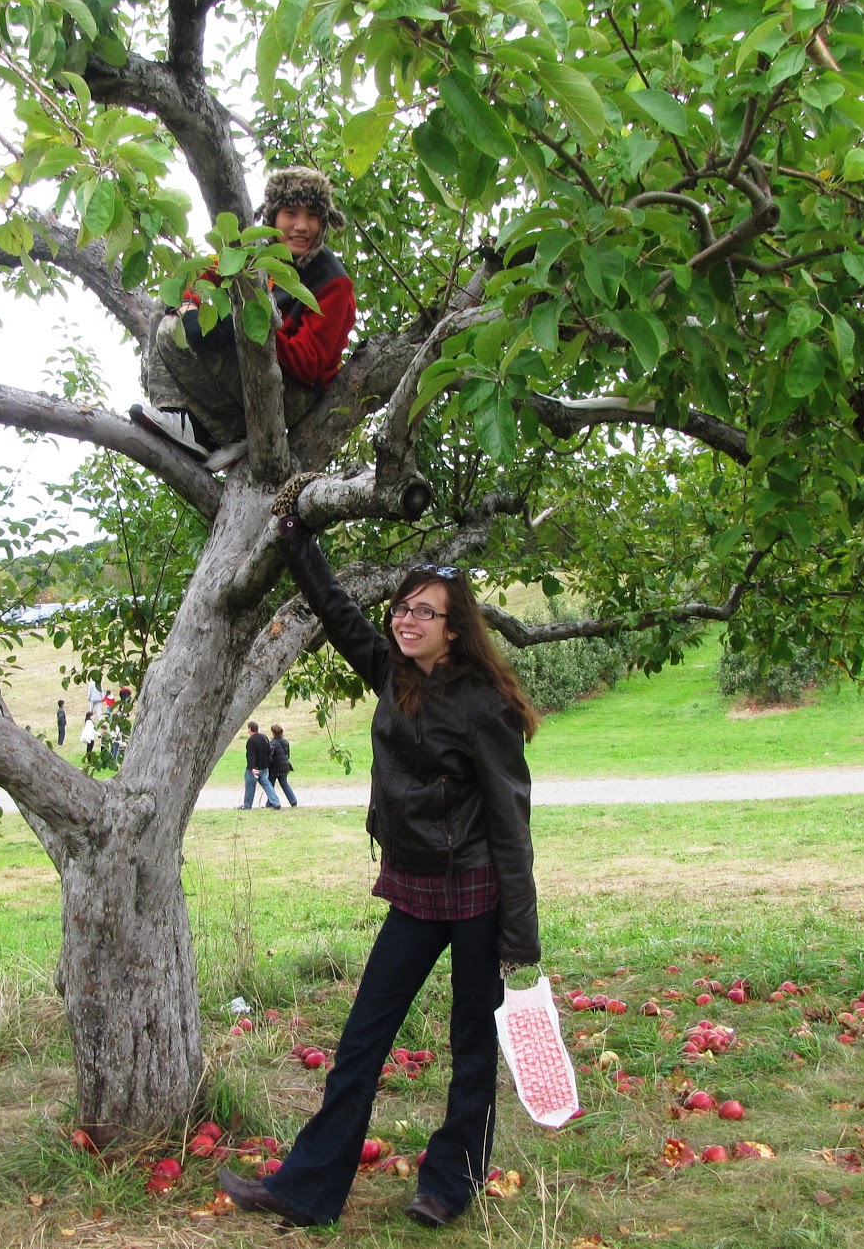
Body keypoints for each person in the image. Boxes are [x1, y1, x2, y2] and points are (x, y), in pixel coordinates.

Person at [218, 505, 541, 1230]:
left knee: (471, 1044)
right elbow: (336, 614)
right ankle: (307, 1189)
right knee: (363, 1038)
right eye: (401, 609)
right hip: (416, 888)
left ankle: (448, 1186)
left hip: (480, 892)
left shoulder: (483, 706)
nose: (405, 621)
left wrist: (521, 933)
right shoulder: (395, 676)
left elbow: (510, 824)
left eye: (422, 613)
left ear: (454, 629)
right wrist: (299, 543)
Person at [135, 166, 356, 464]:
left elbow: (309, 365)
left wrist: (244, 329)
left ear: (324, 223)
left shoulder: (333, 281)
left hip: (293, 395)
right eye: (291, 212)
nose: (302, 226)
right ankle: (178, 416)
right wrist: (192, 308)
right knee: (166, 308)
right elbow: (195, 281)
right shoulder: (252, 255)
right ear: (273, 217)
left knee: (170, 330)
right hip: (252, 372)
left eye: (313, 215)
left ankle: (230, 431)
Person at [240, 720, 282, 810]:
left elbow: (250, 756)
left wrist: (252, 767)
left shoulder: (251, 740)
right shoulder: (264, 737)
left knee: (250, 786)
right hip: (264, 767)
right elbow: (269, 751)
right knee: (267, 785)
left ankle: (247, 805)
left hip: (254, 768)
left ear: (250, 729)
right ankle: (276, 802)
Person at [268, 723, 297, 808]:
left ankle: (271, 802)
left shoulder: (272, 743)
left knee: (270, 785)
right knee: (284, 784)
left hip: (275, 768)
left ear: (273, 733)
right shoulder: (286, 741)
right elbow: (288, 754)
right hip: (285, 766)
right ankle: (293, 801)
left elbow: (270, 756)